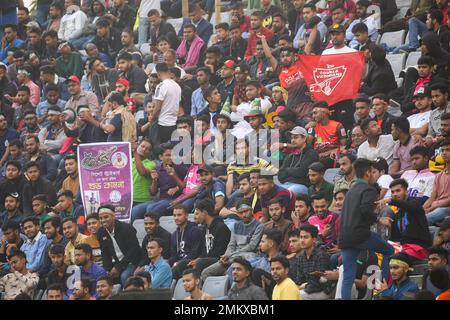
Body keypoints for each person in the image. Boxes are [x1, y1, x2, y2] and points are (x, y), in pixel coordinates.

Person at [339, 158, 395, 300]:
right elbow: (364, 209)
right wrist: (379, 219)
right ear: (367, 173)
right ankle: (384, 290)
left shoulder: (351, 191)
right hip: (360, 234)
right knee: (389, 250)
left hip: (345, 237)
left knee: (348, 277)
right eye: (372, 171)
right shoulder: (368, 189)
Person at [201, 199, 264, 281]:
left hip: (248, 256)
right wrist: (226, 255)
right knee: (206, 272)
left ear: (251, 210)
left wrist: (230, 256)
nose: (244, 215)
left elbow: (252, 246)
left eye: (246, 211)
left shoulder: (259, 226)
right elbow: (231, 244)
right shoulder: (236, 225)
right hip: (233, 256)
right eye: (241, 213)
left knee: (232, 271)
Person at [377, 178, 432, 260]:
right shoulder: (397, 214)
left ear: (406, 191)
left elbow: (408, 206)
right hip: (403, 248)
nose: (395, 194)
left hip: (418, 248)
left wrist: (390, 201)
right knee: (379, 255)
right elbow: (395, 239)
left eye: (398, 191)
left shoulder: (415, 204)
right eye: (392, 192)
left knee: (395, 258)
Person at [96, 205, 141, 286]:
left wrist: (118, 267)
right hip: (117, 263)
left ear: (114, 216)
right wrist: (108, 270)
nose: (103, 220)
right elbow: (104, 253)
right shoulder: (101, 232)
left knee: (124, 276)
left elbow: (134, 249)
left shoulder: (126, 228)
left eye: (106, 217)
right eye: (101, 218)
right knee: (102, 277)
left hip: (132, 262)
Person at [278, 126, 319, 195]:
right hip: (286, 184)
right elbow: (280, 175)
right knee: (272, 193)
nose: (293, 140)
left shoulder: (312, 153)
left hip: (303, 185)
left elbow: (302, 172)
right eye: (292, 138)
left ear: (304, 138)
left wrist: (287, 170)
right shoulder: (290, 156)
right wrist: (294, 171)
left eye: (296, 137)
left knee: (287, 193)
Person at [169, 205, 203, 280]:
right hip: (178, 263)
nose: (176, 218)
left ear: (186, 216)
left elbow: (195, 252)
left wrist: (178, 262)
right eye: (174, 215)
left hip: (190, 262)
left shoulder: (195, 231)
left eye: (179, 215)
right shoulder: (174, 235)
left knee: (179, 266)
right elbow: (173, 255)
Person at [153, 63, 182, 143]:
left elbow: (158, 108)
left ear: (158, 74)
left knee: (163, 149)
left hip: (164, 123)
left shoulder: (161, 86)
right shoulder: (177, 86)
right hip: (174, 122)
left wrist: (152, 120)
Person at [424, 139, 450, 224]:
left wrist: (431, 208)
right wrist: (422, 210)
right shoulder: (438, 175)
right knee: (416, 216)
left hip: (446, 209)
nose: (444, 153)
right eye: (442, 150)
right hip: (436, 207)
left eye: (448, 150)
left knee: (424, 220)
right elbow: (432, 197)